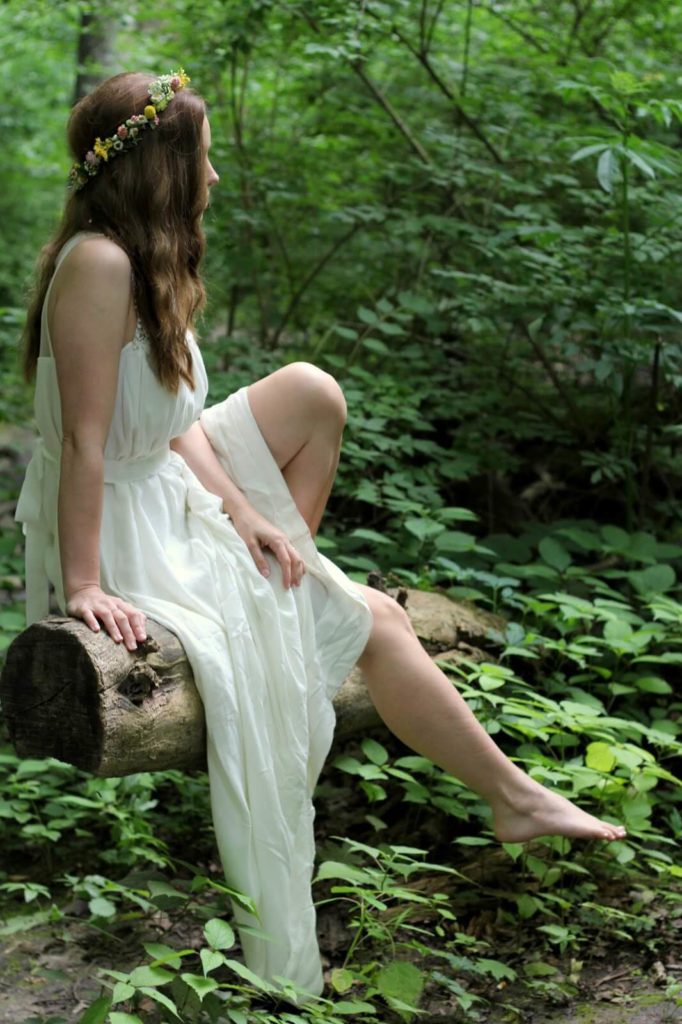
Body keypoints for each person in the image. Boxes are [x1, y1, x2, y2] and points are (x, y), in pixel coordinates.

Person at [16, 69, 626, 999]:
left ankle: (501, 785)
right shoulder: (98, 263)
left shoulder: (150, 259)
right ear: (162, 168)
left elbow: (176, 421)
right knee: (375, 617)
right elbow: (87, 441)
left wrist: (249, 511)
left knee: (312, 391)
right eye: (205, 158)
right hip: (120, 527)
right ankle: (515, 796)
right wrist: (87, 584)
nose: (215, 178)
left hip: (167, 482)